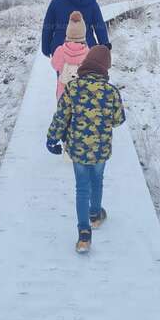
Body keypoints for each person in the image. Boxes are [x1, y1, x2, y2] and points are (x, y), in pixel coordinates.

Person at [46, 45, 125, 253]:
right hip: (100, 150)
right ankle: (95, 214)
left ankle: (84, 236)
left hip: (78, 149)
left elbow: (61, 117)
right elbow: (118, 121)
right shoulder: (111, 92)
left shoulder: (73, 88)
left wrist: (52, 138)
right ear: (105, 67)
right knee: (97, 181)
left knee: (82, 188)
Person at [41, 0, 111, 58]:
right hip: (87, 47)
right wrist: (104, 46)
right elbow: (99, 26)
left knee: (64, 72)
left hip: (60, 49)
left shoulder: (56, 2)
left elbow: (48, 27)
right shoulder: (91, 2)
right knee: (86, 72)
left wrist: (46, 49)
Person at [51, 11, 89, 100]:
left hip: (63, 93)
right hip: (81, 94)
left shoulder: (60, 50)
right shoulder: (88, 53)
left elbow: (55, 65)